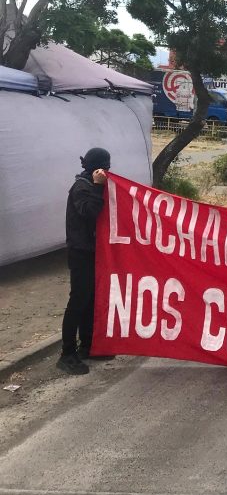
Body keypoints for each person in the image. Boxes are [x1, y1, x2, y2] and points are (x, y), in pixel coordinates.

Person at [57, 148, 113, 375]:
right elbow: (90, 212)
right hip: (80, 253)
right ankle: (67, 354)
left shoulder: (89, 185)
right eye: (105, 167)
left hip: (91, 251)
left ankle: (88, 346)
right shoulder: (81, 187)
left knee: (90, 300)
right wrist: (99, 187)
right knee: (78, 302)